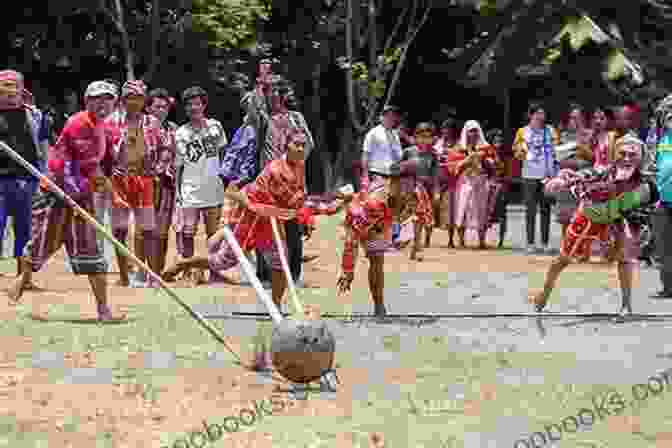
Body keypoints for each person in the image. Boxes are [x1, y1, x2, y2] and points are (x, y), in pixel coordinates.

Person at [161, 129, 348, 369]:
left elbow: (297, 203)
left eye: (304, 145)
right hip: (252, 220)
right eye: (296, 145)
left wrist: (332, 203)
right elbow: (296, 203)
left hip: (271, 220)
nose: (301, 149)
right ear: (286, 146)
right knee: (222, 263)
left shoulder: (299, 167)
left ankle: (276, 307)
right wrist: (329, 204)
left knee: (281, 264)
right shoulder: (276, 170)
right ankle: (183, 264)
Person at [7, 80, 126, 321]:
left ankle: (103, 310)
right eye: (96, 99)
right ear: (87, 102)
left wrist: (112, 193)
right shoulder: (79, 123)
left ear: (115, 103)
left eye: (107, 98)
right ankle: (24, 277)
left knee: (91, 248)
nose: (102, 103)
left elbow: (105, 168)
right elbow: (88, 167)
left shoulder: (108, 128)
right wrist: (110, 194)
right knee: (44, 242)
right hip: (56, 193)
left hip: (82, 195)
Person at [531, 135, 653, 318]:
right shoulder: (606, 171)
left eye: (632, 155)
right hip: (590, 214)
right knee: (563, 259)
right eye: (622, 153)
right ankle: (545, 292)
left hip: (618, 218)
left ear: (641, 157)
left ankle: (626, 305)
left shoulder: (645, 183)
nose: (627, 158)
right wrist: (565, 180)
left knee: (625, 258)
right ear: (615, 155)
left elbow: (640, 211)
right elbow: (587, 174)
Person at [106, 80, 166, 288]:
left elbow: (166, 147)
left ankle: (152, 276)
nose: (134, 102)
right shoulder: (112, 121)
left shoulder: (152, 123)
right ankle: (123, 276)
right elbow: (102, 149)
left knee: (148, 230)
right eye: (130, 97)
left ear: (143, 100)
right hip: (119, 180)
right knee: (119, 230)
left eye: (139, 98)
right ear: (123, 100)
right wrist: (108, 169)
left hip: (144, 180)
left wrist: (158, 168)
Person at [174, 86, 227, 285]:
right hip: (190, 189)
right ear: (185, 108)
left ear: (204, 105)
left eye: (197, 103)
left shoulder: (216, 127)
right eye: (189, 104)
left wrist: (224, 179)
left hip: (213, 187)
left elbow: (223, 154)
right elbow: (178, 165)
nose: (194, 107)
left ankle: (214, 272)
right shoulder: (181, 132)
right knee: (188, 232)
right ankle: (188, 272)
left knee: (214, 235)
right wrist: (179, 193)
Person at [264, 77, 315, 285]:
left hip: (293, 179)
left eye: (276, 91)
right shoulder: (263, 118)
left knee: (293, 226)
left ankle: (294, 275)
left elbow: (309, 143)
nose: (273, 95)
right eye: (269, 91)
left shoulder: (296, 118)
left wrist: (295, 163)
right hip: (268, 180)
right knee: (267, 227)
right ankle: (265, 274)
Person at [337, 162, 403, 318]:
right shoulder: (372, 205)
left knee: (377, 259)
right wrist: (347, 271)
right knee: (377, 259)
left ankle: (379, 306)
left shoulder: (412, 191)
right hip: (365, 219)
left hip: (381, 219)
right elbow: (352, 239)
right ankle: (379, 306)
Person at [0, 70, 49, 277]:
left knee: (26, 230)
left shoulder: (36, 116)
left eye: (14, 86)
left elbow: (44, 147)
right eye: (5, 86)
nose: (10, 91)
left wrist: (44, 176)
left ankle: (24, 277)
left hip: (27, 180)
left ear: (22, 90)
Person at [513, 102, 560, 255]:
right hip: (529, 175)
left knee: (546, 209)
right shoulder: (522, 131)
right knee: (530, 210)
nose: (542, 116)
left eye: (543, 114)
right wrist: (521, 151)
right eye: (538, 114)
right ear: (531, 115)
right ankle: (530, 242)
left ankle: (545, 243)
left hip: (546, 175)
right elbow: (516, 152)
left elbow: (557, 150)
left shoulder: (550, 131)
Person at [144, 88, 179, 275]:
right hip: (147, 184)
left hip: (168, 185)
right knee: (145, 230)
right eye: (157, 106)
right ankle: (143, 271)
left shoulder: (173, 129)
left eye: (165, 106)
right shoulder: (141, 128)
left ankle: (157, 271)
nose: (162, 110)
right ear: (148, 108)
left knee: (163, 231)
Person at [360, 105, 403, 244]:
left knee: (393, 207)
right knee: (377, 206)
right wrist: (365, 175)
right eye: (388, 115)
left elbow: (399, 155)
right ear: (382, 117)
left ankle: (391, 238)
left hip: (394, 176)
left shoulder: (395, 134)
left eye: (393, 115)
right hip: (378, 174)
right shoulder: (373, 133)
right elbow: (365, 155)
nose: (391, 118)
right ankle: (375, 238)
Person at [397, 122, 438, 260]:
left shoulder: (433, 155)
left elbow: (435, 175)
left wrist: (436, 191)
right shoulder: (408, 152)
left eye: (428, 137)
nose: (424, 140)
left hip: (424, 190)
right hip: (408, 188)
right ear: (415, 137)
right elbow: (397, 169)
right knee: (409, 217)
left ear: (432, 139)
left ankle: (416, 246)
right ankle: (408, 242)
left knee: (419, 218)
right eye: (421, 136)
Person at [454, 120, 496, 249]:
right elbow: (453, 166)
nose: (473, 133)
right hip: (465, 181)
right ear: (466, 132)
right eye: (471, 131)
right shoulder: (459, 147)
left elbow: (496, 164)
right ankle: (461, 241)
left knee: (481, 211)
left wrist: (486, 160)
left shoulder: (486, 148)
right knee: (462, 210)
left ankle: (482, 241)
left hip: (481, 182)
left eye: (475, 130)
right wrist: (466, 161)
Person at [650, 94, 672, 298]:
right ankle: (668, 287)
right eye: (668, 115)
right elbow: (656, 167)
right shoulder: (661, 139)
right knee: (663, 247)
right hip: (664, 201)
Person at [433, 118, 462, 247]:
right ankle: (428, 238)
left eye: (449, 129)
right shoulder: (438, 144)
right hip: (439, 179)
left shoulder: (459, 145)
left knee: (452, 210)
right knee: (437, 206)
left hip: (454, 180)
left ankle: (452, 239)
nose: (446, 131)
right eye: (444, 129)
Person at [485, 128, 510, 248]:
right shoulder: (486, 153)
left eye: (500, 138)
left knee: (502, 214)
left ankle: (501, 240)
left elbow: (507, 171)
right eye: (496, 138)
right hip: (489, 185)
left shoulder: (504, 154)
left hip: (501, 186)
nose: (498, 140)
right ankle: (483, 238)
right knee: (486, 212)